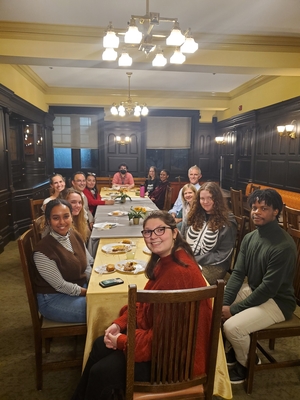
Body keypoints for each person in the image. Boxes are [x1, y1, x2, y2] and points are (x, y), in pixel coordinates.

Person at [71, 211, 212, 400]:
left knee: (101, 372)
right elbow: (143, 304)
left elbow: (163, 340)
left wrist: (122, 340)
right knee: (98, 345)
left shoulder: (178, 274)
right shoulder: (167, 261)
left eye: (160, 230)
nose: (153, 237)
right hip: (164, 346)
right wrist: (119, 324)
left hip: (174, 362)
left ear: (175, 232)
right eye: (147, 232)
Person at [222, 189, 297, 384]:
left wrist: (233, 309)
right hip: (257, 290)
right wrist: (225, 303)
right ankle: (238, 349)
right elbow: (238, 274)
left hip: (278, 302)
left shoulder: (284, 246)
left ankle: (247, 362)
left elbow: (268, 290)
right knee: (215, 305)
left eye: (264, 209)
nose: (257, 212)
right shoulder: (249, 238)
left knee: (232, 327)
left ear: (276, 212)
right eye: (254, 207)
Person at [33, 199, 92, 323]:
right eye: (56, 218)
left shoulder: (74, 235)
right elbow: (60, 285)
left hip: (78, 287)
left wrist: (95, 284)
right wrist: (89, 292)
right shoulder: (42, 250)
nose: (62, 222)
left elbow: (86, 265)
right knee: (99, 308)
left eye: (66, 216)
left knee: (108, 298)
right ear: (48, 221)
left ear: (71, 217)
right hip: (53, 298)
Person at [185, 182, 237, 285]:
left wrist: (195, 259)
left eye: (210, 198)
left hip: (214, 265)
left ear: (217, 199)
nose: (205, 202)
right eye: (202, 198)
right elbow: (182, 238)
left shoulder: (227, 221)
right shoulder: (194, 214)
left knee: (188, 281)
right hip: (189, 259)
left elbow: (223, 254)